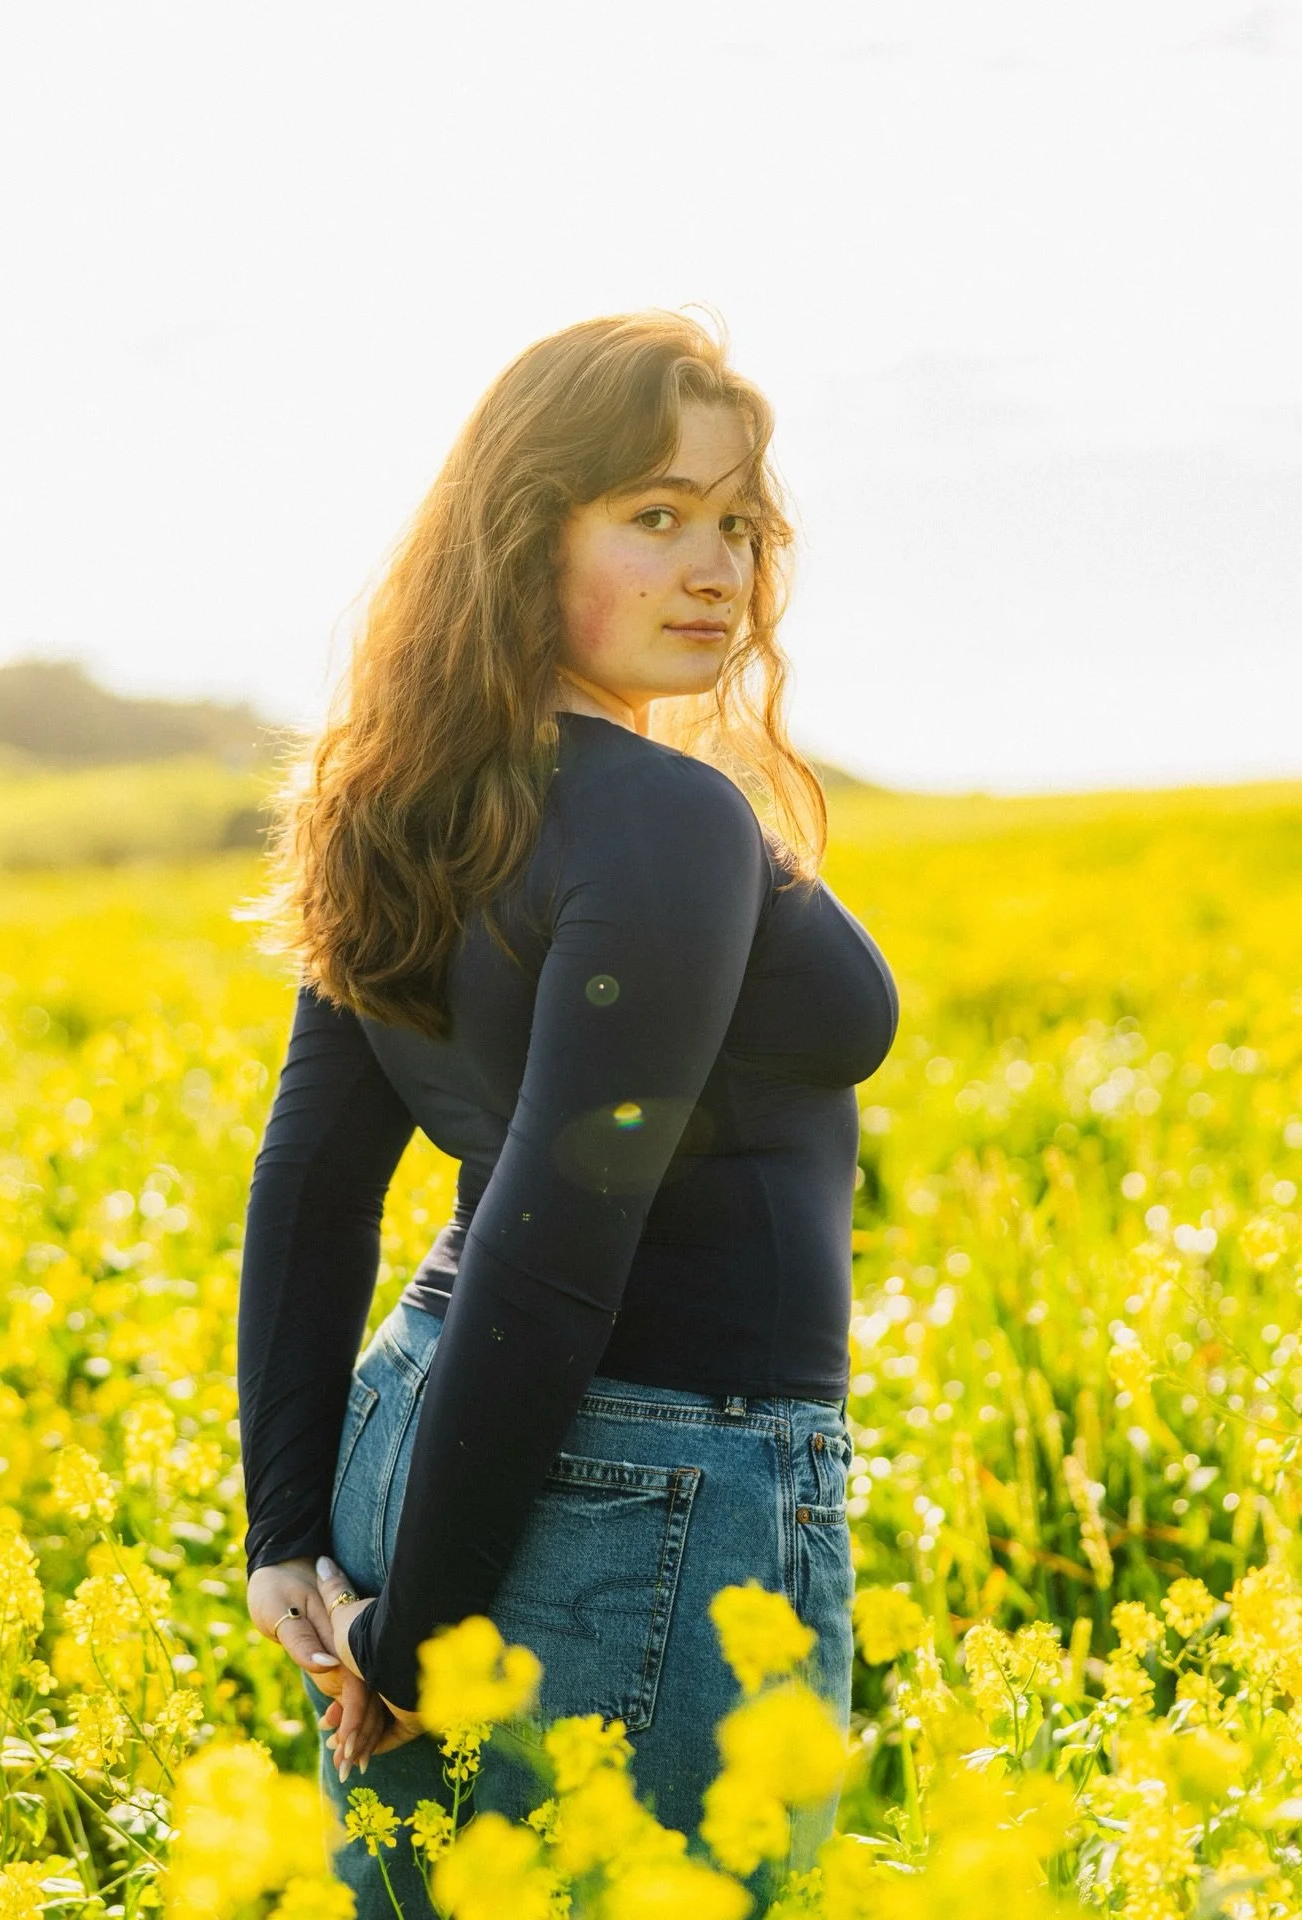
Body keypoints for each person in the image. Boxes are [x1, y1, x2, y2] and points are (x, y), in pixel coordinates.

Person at [236, 309, 899, 1914]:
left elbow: (314, 1179)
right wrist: (427, 1638)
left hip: (437, 1432)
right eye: (655, 515)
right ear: (525, 526)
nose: (717, 570)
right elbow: (558, 1228)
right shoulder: (663, 818)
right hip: (634, 1484)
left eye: (739, 522)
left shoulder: (403, 799)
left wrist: (287, 1534)